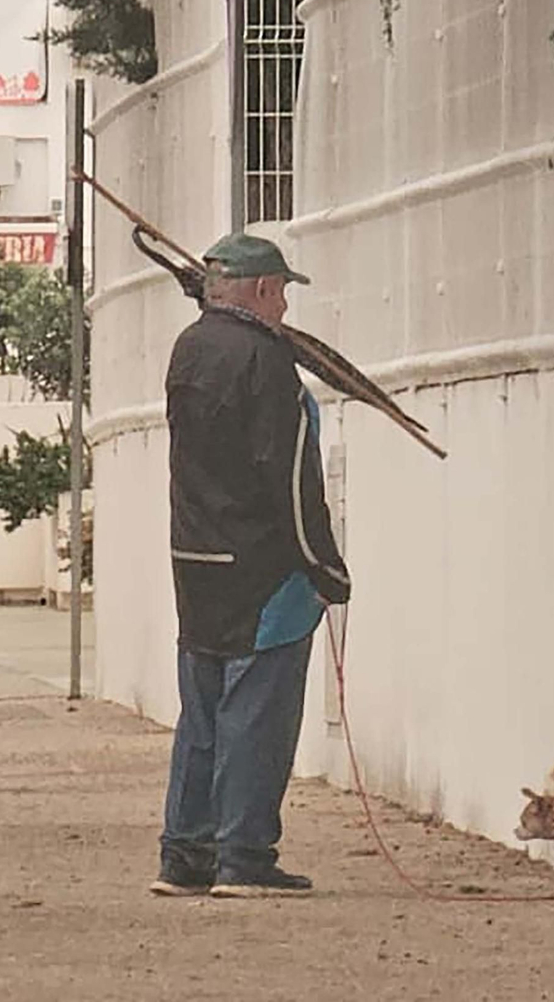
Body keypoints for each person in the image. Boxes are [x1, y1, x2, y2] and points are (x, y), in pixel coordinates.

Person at [151, 232, 351, 899]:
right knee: (255, 715)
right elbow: (292, 478)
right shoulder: (267, 361)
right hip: (265, 566)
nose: (287, 308)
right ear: (263, 290)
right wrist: (325, 565)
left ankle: (185, 853)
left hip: (195, 555)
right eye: (283, 292)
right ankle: (242, 854)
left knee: (202, 712)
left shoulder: (191, 348)